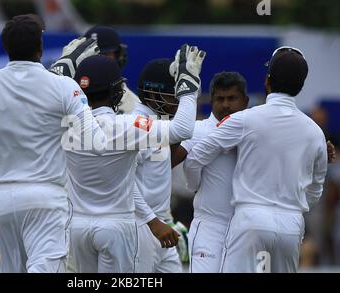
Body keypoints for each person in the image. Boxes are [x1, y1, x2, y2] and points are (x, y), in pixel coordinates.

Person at [0, 14, 107, 273]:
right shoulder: (66, 86)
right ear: (40, 47)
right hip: (47, 198)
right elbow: (96, 142)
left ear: (6, 47)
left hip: (1, 200)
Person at [185, 46, 328, 273]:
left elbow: (196, 157)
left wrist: (194, 186)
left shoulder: (245, 120)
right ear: (301, 86)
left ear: (267, 82)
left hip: (250, 220)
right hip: (291, 225)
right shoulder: (315, 132)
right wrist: (293, 209)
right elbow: (315, 190)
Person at [65, 45, 205, 273]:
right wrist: (188, 86)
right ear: (116, 91)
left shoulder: (67, 124)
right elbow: (182, 129)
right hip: (122, 225)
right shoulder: (126, 125)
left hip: (79, 226)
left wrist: (62, 67)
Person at [171, 72, 250, 273]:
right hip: (209, 227)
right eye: (219, 99)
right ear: (211, 100)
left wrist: (322, 149)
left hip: (246, 228)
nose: (225, 105)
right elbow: (165, 163)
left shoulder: (255, 131)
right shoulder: (197, 130)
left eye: (232, 98)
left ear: (245, 100)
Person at [134, 59, 188, 273]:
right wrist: (152, 221)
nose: (177, 102)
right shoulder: (137, 123)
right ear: (152, 93)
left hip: (162, 225)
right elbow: (124, 183)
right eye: (172, 95)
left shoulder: (160, 121)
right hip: (141, 226)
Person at [84, 25, 140, 114]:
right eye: (90, 55)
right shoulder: (67, 97)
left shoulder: (134, 108)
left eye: (103, 54)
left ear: (119, 56)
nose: (96, 60)